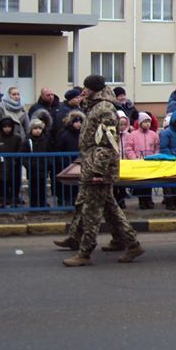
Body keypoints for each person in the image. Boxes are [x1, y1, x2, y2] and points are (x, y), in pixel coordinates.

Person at [62, 74, 144, 266]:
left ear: (95, 89)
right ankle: (131, 244)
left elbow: (107, 144)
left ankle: (84, 253)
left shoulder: (105, 109)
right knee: (111, 209)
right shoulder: (97, 106)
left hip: (99, 168)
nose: (83, 91)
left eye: (86, 88)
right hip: (92, 164)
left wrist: (99, 171)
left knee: (92, 212)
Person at [123, 112, 159, 209]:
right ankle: (142, 201)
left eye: (149, 122)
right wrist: (134, 158)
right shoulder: (133, 135)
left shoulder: (154, 135)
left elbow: (157, 147)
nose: (147, 124)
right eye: (145, 122)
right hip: (138, 163)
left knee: (149, 183)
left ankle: (149, 200)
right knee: (140, 184)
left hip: (150, 162)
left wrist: (154, 157)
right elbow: (128, 148)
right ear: (139, 123)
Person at [0, 116, 23, 207]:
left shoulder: (16, 138)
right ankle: (3, 199)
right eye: (5, 127)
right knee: (2, 181)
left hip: (14, 163)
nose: (7, 129)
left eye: (9, 127)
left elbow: (20, 148)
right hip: (2, 164)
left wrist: (16, 157)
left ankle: (14, 198)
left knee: (14, 181)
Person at [159, 112, 176, 209]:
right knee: (167, 183)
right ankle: (169, 202)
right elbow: (163, 147)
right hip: (168, 161)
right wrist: (172, 157)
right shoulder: (166, 133)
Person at [20, 118, 50, 208]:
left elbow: (49, 152)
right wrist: (28, 165)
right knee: (33, 188)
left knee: (42, 187)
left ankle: (43, 203)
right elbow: (22, 154)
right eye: (35, 128)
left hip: (42, 168)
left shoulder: (45, 140)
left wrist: (48, 164)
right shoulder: (27, 141)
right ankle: (34, 205)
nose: (38, 130)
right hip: (32, 169)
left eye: (40, 128)